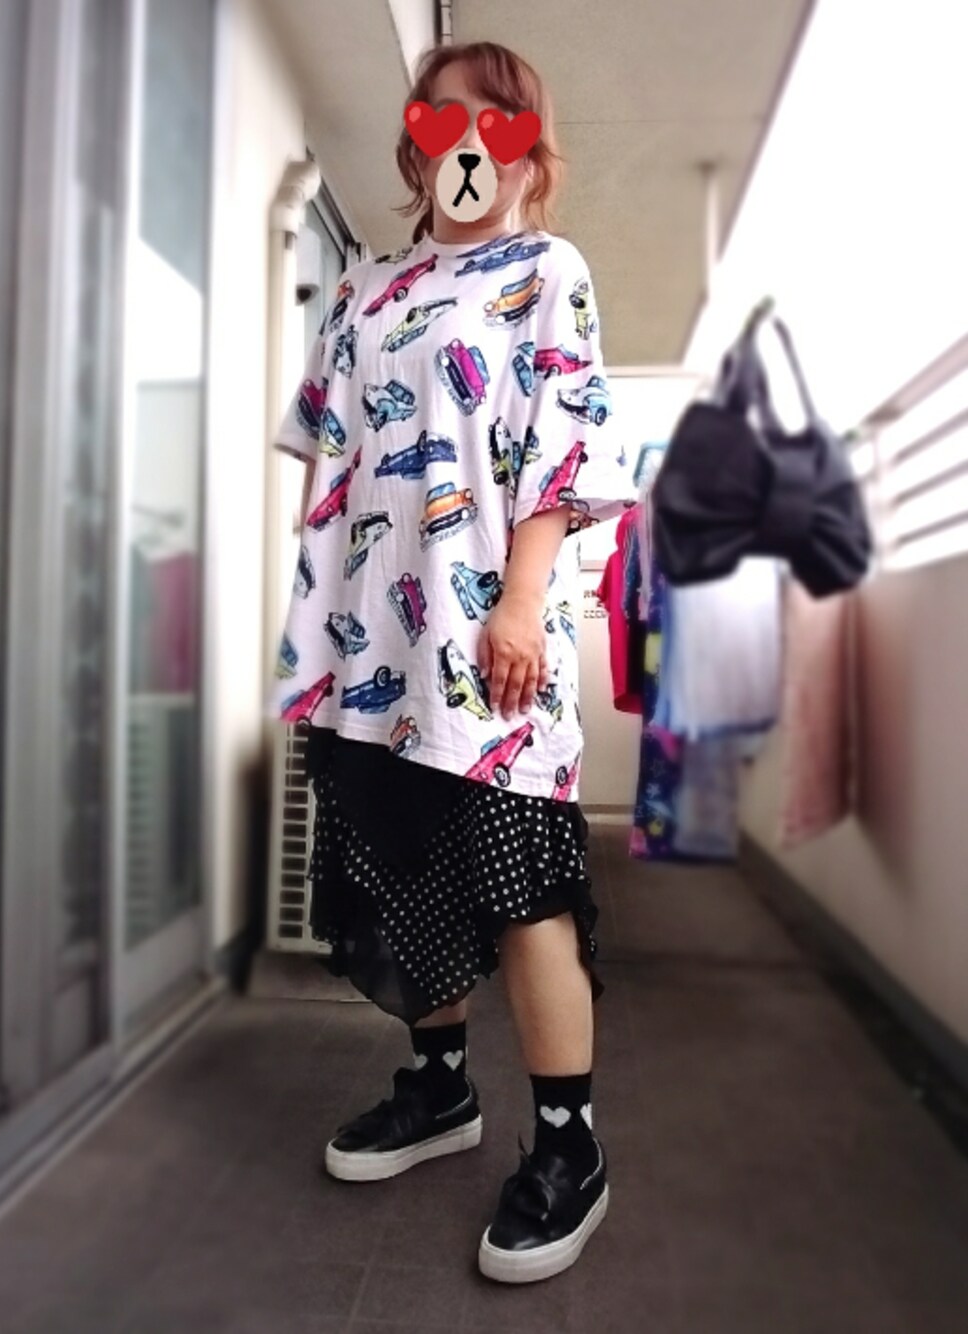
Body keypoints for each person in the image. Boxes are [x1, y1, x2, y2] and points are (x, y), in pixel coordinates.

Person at [266, 40, 634, 1284]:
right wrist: (320, 620)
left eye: (497, 123)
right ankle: (437, 1089)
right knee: (398, 865)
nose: (469, 144)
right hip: (368, 643)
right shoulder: (362, 288)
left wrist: (520, 600)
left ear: (529, 150)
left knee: (522, 887)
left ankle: (569, 1145)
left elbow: (562, 450)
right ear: (416, 143)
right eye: (443, 120)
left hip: (491, 646)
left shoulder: (546, 273)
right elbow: (328, 460)